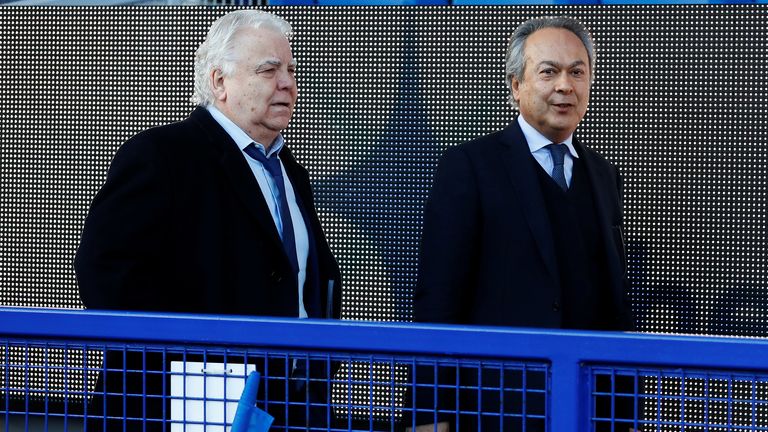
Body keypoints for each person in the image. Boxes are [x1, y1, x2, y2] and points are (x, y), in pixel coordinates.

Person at [75, 10, 341, 431]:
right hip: (182, 409)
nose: (288, 84)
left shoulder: (288, 168)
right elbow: (104, 273)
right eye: (269, 70)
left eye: (290, 70)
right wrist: (196, 368)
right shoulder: (162, 155)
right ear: (219, 82)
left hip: (287, 407)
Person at [413, 16, 635, 431]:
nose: (564, 86)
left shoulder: (604, 176)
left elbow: (614, 303)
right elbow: (438, 300)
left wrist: (625, 411)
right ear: (517, 87)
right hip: (496, 407)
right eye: (548, 71)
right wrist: (429, 415)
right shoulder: (470, 167)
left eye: (577, 72)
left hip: (588, 409)